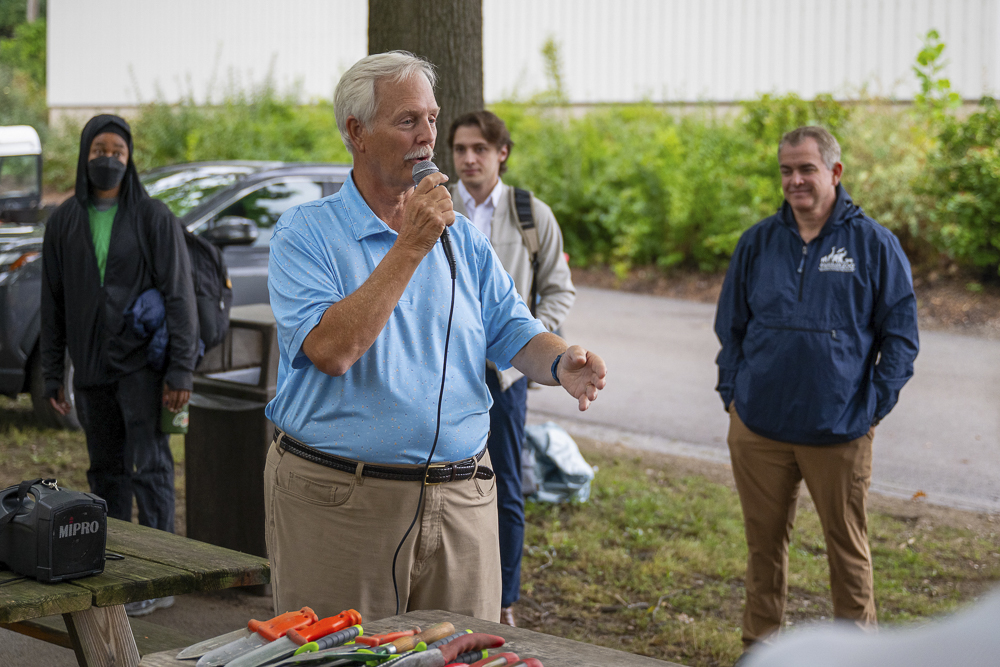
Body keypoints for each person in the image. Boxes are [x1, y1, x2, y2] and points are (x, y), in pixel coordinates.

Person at [263, 51, 607, 623]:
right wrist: (411, 244)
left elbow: (512, 327)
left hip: (462, 500)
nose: (428, 137)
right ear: (357, 132)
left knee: (462, 654)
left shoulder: (462, 237)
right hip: (343, 503)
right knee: (342, 657)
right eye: (407, 121)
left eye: (431, 118)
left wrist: (560, 361)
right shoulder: (306, 233)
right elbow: (331, 350)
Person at [714, 126, 919, 657]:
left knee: (847, 552)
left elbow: (901, 338)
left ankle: (858, 656)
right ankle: (759, 651)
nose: (795, 180)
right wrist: (733, 395)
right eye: (786, 170)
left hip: (839, 431)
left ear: (835, 172)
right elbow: (730, 327)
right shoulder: (758, 241)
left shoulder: (874, 244)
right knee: (763, 550)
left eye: (807, 168)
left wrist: (871, 408)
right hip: (759, 429)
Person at [41, 115, 198, 616]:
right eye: (99, 151)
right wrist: (51, 373)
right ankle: (116, 568)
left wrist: (181, 371)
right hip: (91, 369)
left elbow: (180, 296)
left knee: (150, 468)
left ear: (129, 161)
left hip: (143, 370)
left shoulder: (153, 217)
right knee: (105, 473)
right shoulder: (64, 221)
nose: (107, 159)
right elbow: (53, 303)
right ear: (84, 155)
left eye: (118, 152)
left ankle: (158, 576)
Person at [447, 110, 575, 626]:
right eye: (460, 149)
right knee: (443, 479)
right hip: (445, 369)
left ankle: (503, 601)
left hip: (504, 375)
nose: (469, 159)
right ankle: (449, 589)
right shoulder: (435, 206)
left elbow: (559, 290)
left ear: (502, 153)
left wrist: (526, 343)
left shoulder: (530, 214)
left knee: (501, 484)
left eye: (480, 148)